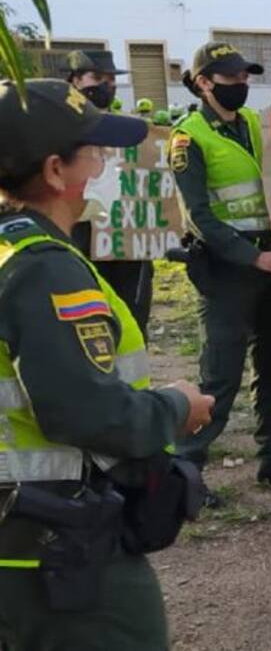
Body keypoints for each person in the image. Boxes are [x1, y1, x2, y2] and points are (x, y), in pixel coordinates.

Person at [0, 78, 214, 649]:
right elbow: (85, 412)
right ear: (55, 171)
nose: (102, 166)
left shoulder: (10, 249)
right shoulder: (44, 269)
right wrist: (177, 408)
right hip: (54, 546)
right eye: (93, 153)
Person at [171, 41, 271, 495]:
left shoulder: (255, 126)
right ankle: (185, 475)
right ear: (204, 82)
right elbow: (198, 217)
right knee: (220, 374)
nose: (241, 84)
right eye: (231, 78)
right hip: (227, 270)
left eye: (245, 77)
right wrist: (252, 256)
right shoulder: (189, 138)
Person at [65, 49, 155, 336]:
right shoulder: (55, 129)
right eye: (98, 78)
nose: (107, 85)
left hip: (129, 241)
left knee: (131, 320)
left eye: (112, 79)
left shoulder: (128, 131)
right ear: (75, 80)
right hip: (79, 238)